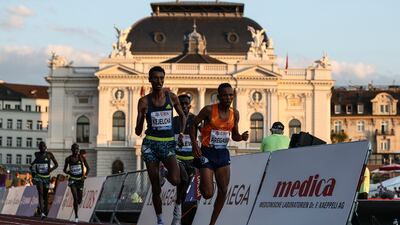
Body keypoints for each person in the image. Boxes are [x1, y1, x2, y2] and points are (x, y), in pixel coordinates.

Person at [190, 83, 249, 225]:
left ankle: (213, 223)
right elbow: (192, 125)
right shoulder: (208, 110)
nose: (228, 98)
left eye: (230, 95)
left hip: (222, 153)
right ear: (219, 97)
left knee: (223, 190)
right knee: (208, 193)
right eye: (225, 95)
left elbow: (234, 135)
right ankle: (203, 183)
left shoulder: (235, 114)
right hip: (207, 152)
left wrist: (242, 137)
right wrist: (194, 144)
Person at [135, 66, 186, 225]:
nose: (159, 81)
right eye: (156, 78)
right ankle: (160, 220)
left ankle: (163, 172)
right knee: (156, 188)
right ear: (150, 80)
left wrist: (182, 134)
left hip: (168, 144)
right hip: (150, 145)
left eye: (161, 78)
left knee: (177, 180)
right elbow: (138, 131)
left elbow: (183, 116)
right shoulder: (144, 101)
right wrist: (142, 116)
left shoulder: (172, 97)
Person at [171, 94, 197, 225]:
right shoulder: (174, 121)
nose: (184, 106)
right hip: (177, 158)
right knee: (184, 179)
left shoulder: (195, 120)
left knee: (183, 187)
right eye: (181, 104)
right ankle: (177, 213)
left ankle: (178, 210)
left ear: (190, 106)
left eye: (187, 104)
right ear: (177, 107)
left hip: (191, 160)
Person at [31, 141, 58, 219]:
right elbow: (33, 164)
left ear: (45, 147)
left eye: (43, 146)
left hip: (46, 177)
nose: (42, 148)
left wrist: (51, 169)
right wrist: (33, 172)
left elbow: (56, 165)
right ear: (39, 148)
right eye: (41, 146)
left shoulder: (49, 154)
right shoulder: (37, 154)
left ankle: (45, 211)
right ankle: (42, 212)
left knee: (45, 195)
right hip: (39, 177)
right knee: (40, 193)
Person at [63, 143, 90, 223]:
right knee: (75, 197)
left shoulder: (81, 158)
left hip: (80, 180)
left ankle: (76, 210)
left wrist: (85, 176)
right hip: (72, 180)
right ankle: (76, 216)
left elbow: (88, 168)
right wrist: (69, 172)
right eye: (74, 149)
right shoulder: (68, 159)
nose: (76, 150)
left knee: (79, 200)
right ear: (71, 150)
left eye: (77, 149)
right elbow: (64, 170)